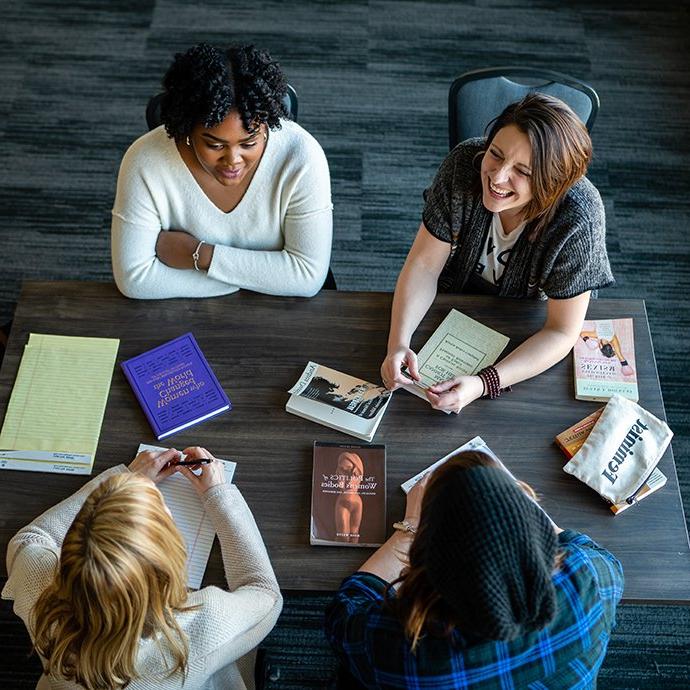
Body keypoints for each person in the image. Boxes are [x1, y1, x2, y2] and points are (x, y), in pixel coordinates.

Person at [380, 93, 614, 413]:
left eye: (523, 171)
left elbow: (562, 330)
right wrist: (399, 343)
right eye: (496, 154)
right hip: (452, 303)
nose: (497, 177)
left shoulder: (579, 216)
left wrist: (484, 382)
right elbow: (423, 265)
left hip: (529, 323)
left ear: (553, 182)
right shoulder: (466, 163)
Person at [325, 450, 624, 688]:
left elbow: (345, 610)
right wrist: (513, 513)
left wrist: (410, 527)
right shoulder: (590, 578)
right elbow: (584, 547)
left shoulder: (409, 654)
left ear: (432, 566)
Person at [2, 446, 282, 689]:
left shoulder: (38, 583)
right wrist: (219, 495)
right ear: (167, 565)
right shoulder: (202, 625)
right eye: (164, 514)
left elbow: (28, 539)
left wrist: (125, 481)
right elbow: (264, 592)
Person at [111, 43, 333, 300]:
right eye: (214, 144)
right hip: (192, 316)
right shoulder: (145, 160)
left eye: (249, 143)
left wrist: (200, 255)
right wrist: (262, 278)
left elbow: (307, 276)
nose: (233, 161)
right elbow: (134, 279)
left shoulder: (302, 156)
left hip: (288, 313)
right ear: (186, 129)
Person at [334, 451, 364, 543]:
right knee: (343, 535)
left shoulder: (357, 474)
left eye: (349, 469)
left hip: (357, 503)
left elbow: (357, 480)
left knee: (354, 534)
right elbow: (340, 484)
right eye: (343, 470)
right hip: (343, 503)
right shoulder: (340, 474)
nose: (349, 475)